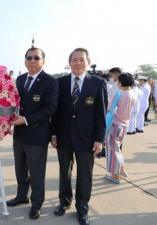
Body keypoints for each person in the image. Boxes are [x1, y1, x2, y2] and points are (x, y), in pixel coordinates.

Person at [50, 48, 107, 225]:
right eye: (74, 60)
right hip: (63, 136)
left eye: (81, 60)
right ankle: (64, 201)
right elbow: (56, 112)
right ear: (69, 62)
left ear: (88, 63)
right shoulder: (60, 82)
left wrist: (99, 139)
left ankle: (82, 208)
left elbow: (101, 114)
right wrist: (53, 133)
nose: (78, 63)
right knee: (64, 171)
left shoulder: (98, 83)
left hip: (87, 138)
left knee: (85, 174)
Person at [7, 47, 58, 220]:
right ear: (24, 61)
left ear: (43, 61)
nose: (32, 60)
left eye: (37, 57)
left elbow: (50, 109)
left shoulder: (50, 82)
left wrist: (26, 119)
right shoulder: (20, 79)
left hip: (36, 135)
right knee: (20, 169)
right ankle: (22, 196)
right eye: (29, 57)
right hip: (19, 134)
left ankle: (37, 204)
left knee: (36, 172)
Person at [104, 73, 136, 184]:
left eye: (118, 81)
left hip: (115, 124)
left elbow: (109, 108)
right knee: (118, 149)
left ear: (121, 83)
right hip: (125, 124)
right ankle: (122, 169)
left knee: (112, 149)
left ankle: (115, 175)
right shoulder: (133, 94)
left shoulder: (119, 94)